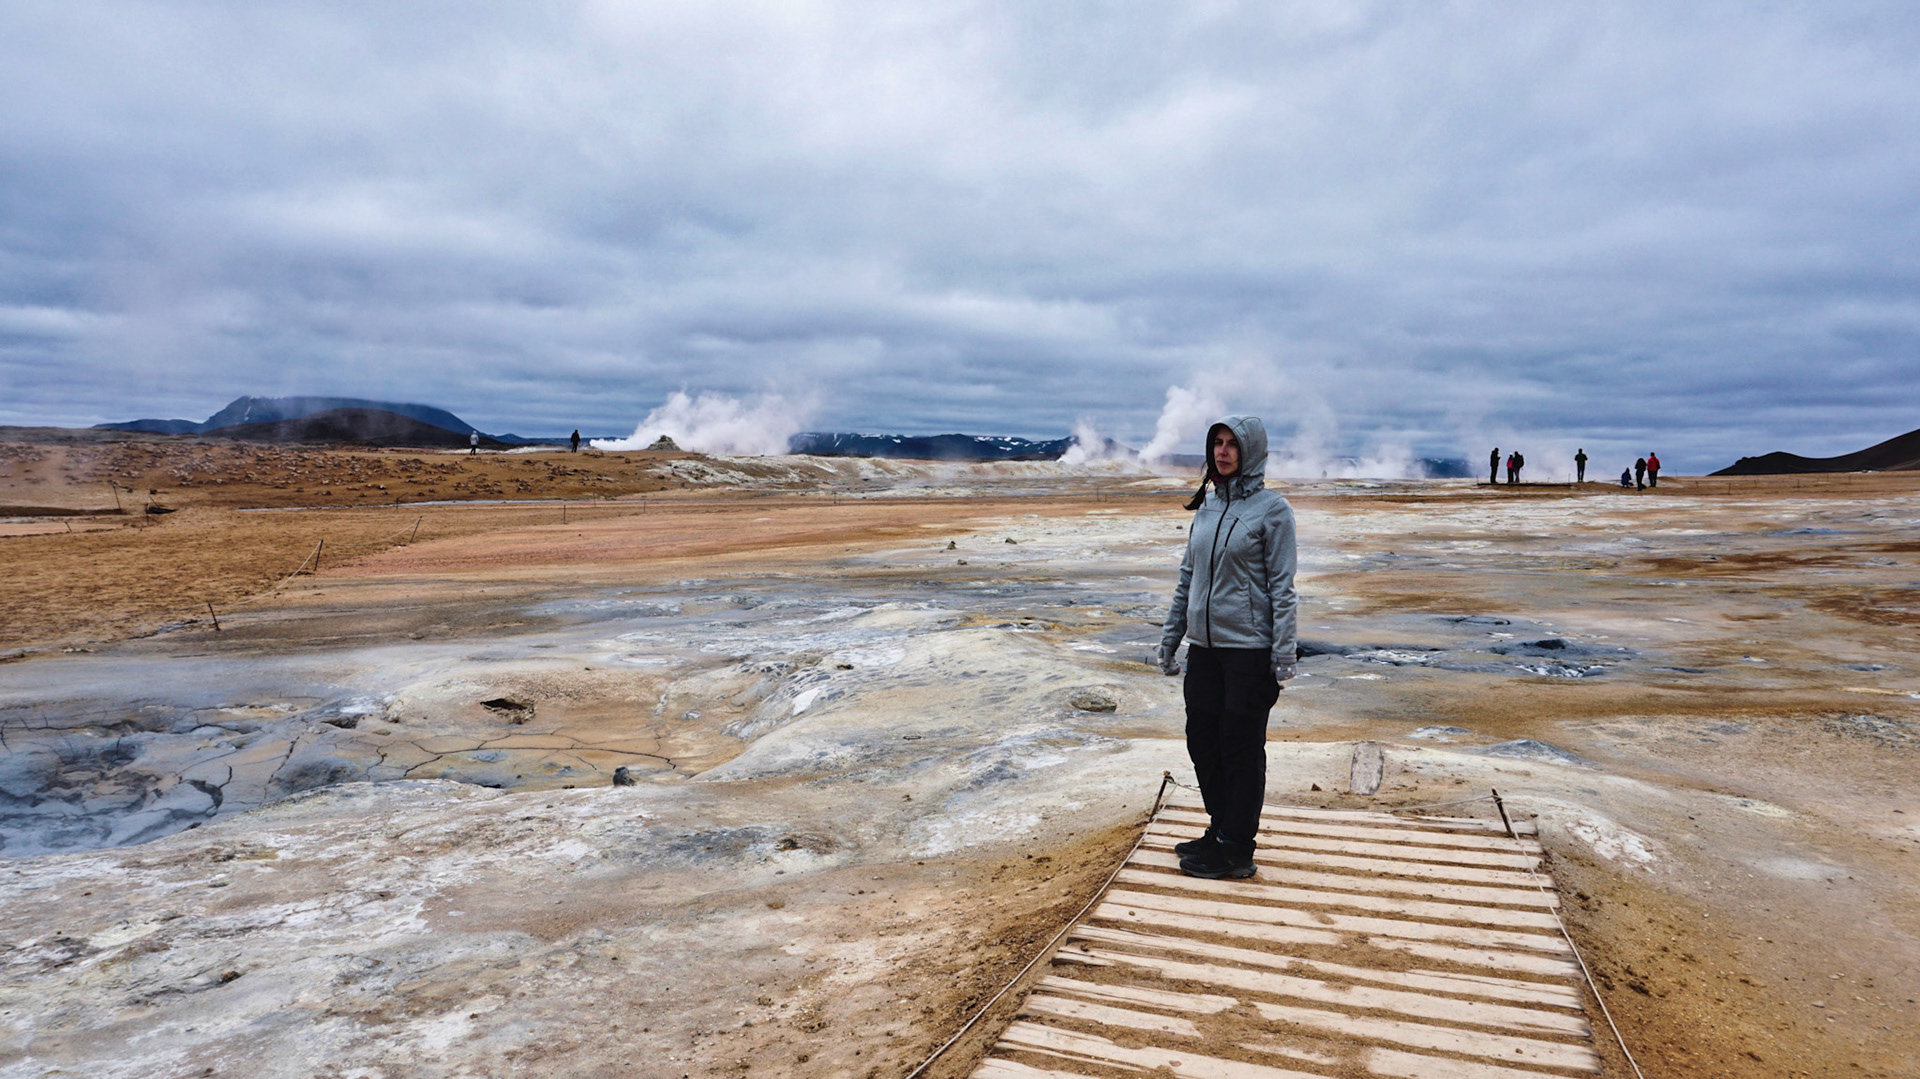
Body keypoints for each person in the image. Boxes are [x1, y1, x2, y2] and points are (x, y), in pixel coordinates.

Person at [1159, 416, 1298, 881]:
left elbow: (1283, 588)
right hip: (1205, 649)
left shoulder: (1272, 510)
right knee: (1202, 740)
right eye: (1217, 443)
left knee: (1239, 746)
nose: (1222, 452)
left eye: (1232, 444)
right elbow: (1187, 578)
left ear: (1251, 451)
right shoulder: (1209, 505)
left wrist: (1284, 652)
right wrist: (1171, 637)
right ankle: (1220, 829)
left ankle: (1238, 847)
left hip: (1248, 651)